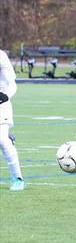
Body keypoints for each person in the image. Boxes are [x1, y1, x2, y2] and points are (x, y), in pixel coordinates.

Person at [0, 49, 25, 191]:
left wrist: (5, 96)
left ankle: (18, 179)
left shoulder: (1, 56)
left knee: (2, 141)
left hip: (1, 105)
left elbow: (12, 84)